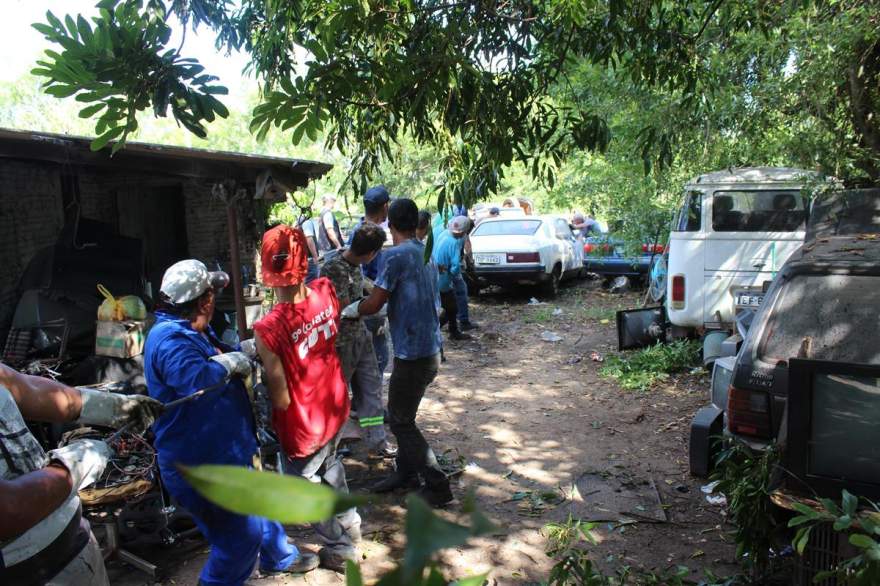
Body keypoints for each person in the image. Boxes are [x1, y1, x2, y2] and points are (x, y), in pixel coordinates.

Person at [144, 259, 318, 585]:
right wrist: (227, 364)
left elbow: (213, 355)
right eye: (212, 293)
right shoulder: (170, 340)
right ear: (205, 301)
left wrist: (243, 350)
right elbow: (195, 379)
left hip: (229, 450)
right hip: (202, 464)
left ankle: (279, 557)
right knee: (238, 542)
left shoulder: (190, 327)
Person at [253, 225, 360, 571]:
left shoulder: (267, 330)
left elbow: (280, 398)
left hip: (304, 423)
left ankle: (339, 546)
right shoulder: (325, 290)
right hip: (336, 404)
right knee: (330, 466)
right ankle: (352, 524)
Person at [0, 363, 161, 585]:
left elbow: (22, 385)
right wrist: (73, 466)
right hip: (26, 572)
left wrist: (113, 407)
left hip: (75, 542)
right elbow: (9, 509)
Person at [344, 198, 453, 507]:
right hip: (428, 350)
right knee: (405, 415)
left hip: (413, 355)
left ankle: (438, 485)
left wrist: (352, 310)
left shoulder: (395, 256)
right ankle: (405, 472)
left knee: (401, 421)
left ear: (389, 225)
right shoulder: (425, 252)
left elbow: (375, 302)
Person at [320, 223, 396, 458]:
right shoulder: (334, 268)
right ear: (370, 253)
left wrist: (371, 295)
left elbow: (357, 295)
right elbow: (339, 307)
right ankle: (330, 447)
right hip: (340, 343)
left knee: (371, 388)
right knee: (337, 395)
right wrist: (370, 306)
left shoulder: (354, 266)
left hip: (360, 336)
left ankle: (377, 441)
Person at [348, 185, 392, 375]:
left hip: (364, 304)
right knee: (377, 358)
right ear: (385, 206)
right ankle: (367, 403)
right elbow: (358, 272)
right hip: (368, 305)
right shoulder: (371, 234)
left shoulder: (359, 230)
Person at [433, 216, 471, 341]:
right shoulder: (454, 243)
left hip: (435, 274)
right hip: (444, 279)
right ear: (464, 232)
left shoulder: (443, 234)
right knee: (452, 306)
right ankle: (435, 331)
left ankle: (452, 330)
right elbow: (455, 267)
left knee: (448, 305)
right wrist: (461, 269)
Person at [297, 214, 321, 283]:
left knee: (306, 282)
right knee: (312, 282)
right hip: (310, 259)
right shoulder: (307, 223)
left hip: (304, 258)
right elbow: (309, 239)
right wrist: (315, 257)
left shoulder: (299, 223)